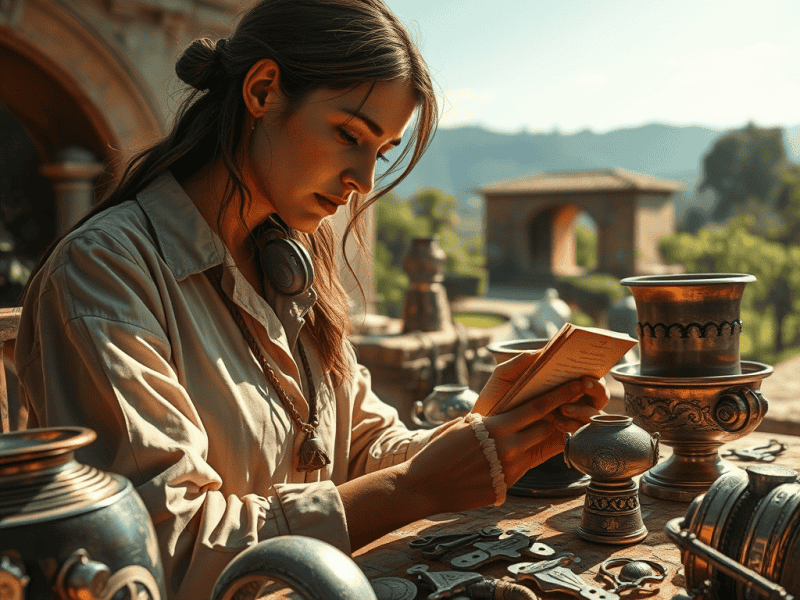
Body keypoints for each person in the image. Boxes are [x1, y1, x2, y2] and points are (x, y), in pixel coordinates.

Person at [14, 1, 609, 598]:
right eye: (349, 134)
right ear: (264, 90)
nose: (363, 180)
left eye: (380, 153)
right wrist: (414, 488)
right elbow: (163, 550)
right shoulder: (105, 272)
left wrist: (494, 430)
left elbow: (362, 447)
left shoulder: (294, 261)